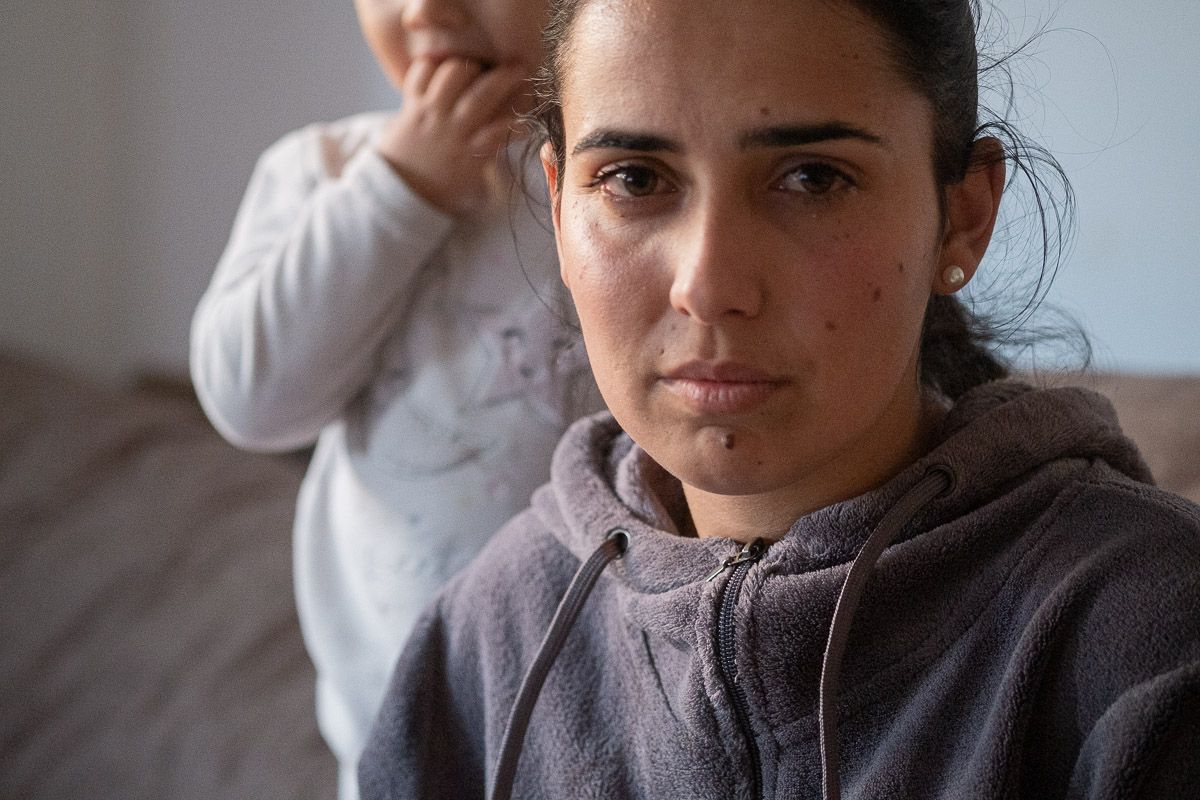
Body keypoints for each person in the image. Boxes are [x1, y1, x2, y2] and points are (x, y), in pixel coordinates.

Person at [358, 0, 1200, 797]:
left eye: (813, 178)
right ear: (558, 201)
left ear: (964, 217)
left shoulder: (1147, 633)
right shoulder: (483, 641)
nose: (709, 285)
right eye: (634, 179)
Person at [189, 0, 602, 796]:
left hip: (602, 711)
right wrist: (399, 189)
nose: (423, 9)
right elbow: (250, 399)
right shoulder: (325, 173)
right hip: (395, 722)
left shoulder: (618, 178)